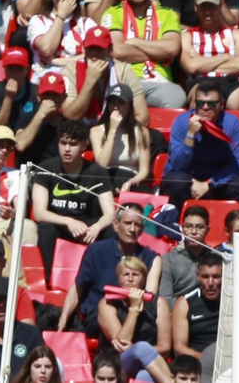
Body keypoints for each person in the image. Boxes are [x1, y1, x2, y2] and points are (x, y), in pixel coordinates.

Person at [61, 203, 162, 335]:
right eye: (127, 223)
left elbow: (150, 299)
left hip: (134, 313)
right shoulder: (96, 251)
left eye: (137, 224)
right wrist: (62, 321)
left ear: (142, 229)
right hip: (99, 315)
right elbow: (76, 289)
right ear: (116, 225)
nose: (132, 229)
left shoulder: (152, 258)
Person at [32, 118, 117, 276]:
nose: (67, 149)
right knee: (45, 229)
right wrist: (68, 221)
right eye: (63, 143)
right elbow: (39, 213)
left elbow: (110, 213)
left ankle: (105, 279)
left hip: (87, 225)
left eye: (72, 144)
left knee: (111, 230)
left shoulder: (97, 172)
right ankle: (50, 279)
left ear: (84, 145)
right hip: (59, 223)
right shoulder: (46, 168)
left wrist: (97, 227)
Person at [160, 80, 239, 210]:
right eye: (200, 103)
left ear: (221, 104)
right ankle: (173, 221)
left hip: (218, 182)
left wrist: (209, 184)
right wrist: (190, 135)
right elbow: (177, 166)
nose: (205, 108)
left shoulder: (232, 123)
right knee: (176, 181)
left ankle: (237, 221)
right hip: (189, 181)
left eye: (211, 104)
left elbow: (238, 164)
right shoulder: (181, 122)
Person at [89, 81, 154, 192]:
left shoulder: (141, 132)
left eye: (121, 103)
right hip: (107, 178)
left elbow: (144, 170)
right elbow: (102, 164)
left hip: (131, 178)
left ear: (129, 106)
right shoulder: (96, 131)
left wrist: (132, 181)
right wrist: (112, 130)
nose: (116, 107)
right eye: (112, 103)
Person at [172, 251, 224, 360]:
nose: (210, 283)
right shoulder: (185, 303)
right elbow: (179, 348)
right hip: (197, 362)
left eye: (216, 277)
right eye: (205, 277)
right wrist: (208, 361)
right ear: (198, 276)